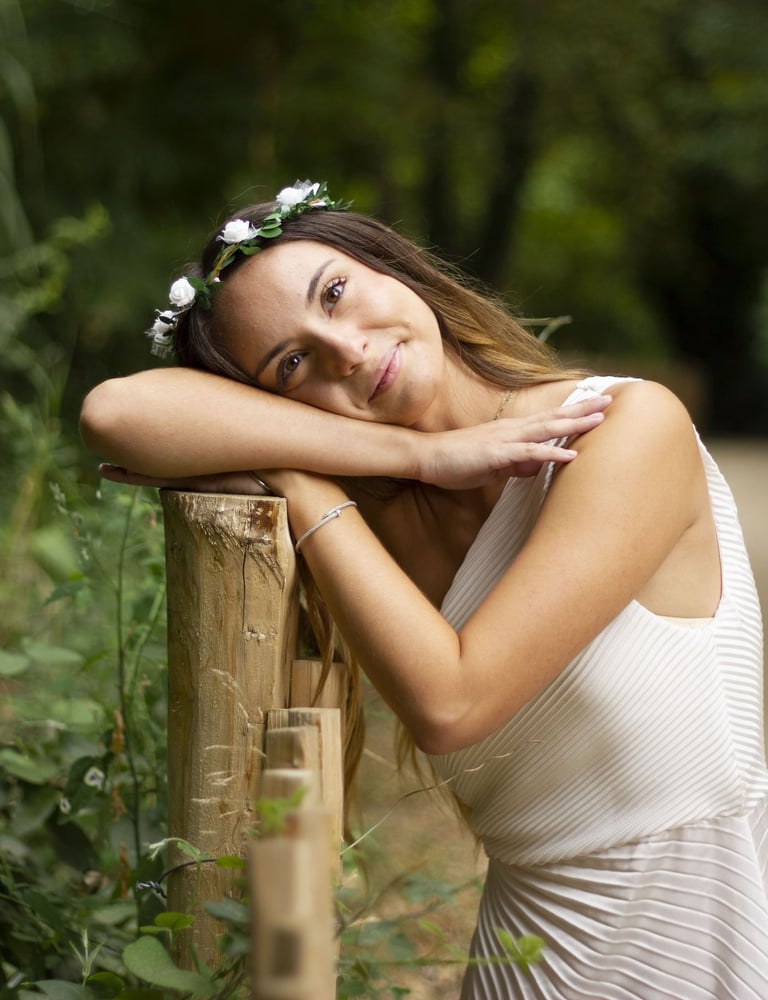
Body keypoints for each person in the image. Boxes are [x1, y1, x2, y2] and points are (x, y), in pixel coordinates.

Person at [80, 180, 768, 999]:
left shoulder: (622, 428)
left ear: (392, 265)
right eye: (293, 363)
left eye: (334, 293)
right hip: (522, 965)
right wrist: (417, 458)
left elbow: (452, 702)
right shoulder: (371, 519)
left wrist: (296, 486)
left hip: (692, 942)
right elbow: (116, 413)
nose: (347, 350)